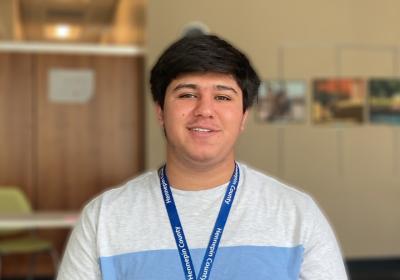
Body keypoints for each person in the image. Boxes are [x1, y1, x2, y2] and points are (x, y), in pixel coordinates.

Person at [57, 34, 348, 280]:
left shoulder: (297, 214)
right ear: (160, 112)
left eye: (223, 97)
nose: (204, 110)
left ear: (244, 116)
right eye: (187, 94)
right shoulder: (103, 218)